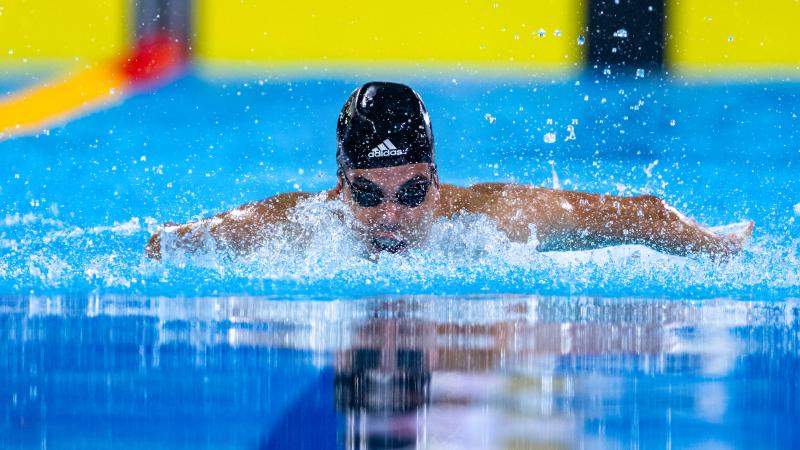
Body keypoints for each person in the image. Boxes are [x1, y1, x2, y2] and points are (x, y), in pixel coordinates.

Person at [146, 81, 752, 260]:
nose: (390, 216)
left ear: (436, 180)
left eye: (411, 191)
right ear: (338, 188)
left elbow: (643, 215)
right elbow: (163, 245)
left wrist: (716, 249)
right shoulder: (293, 226)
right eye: (367, 194)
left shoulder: (495, 218)